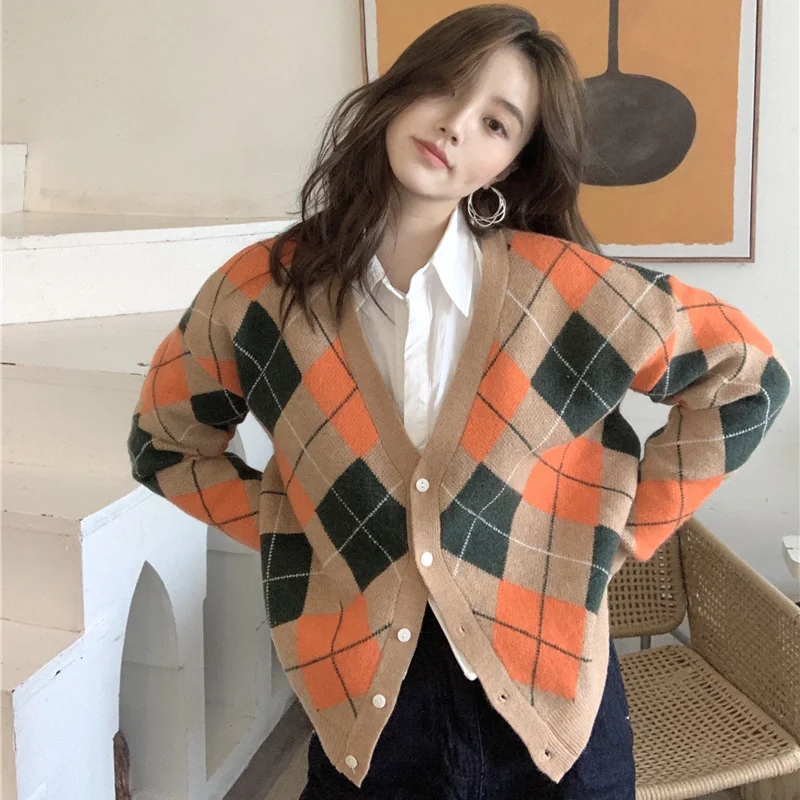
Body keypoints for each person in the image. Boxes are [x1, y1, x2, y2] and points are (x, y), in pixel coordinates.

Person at [126, 5, 792, 799]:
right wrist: (292, 526)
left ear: (510, 162)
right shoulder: (260, 292)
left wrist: (616, 530)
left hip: (552, 713)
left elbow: (747, 379)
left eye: (496, 123)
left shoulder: (564, 288)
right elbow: (164, 444)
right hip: (367, 718)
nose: (455, 125)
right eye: (445, 88)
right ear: (401, 88)